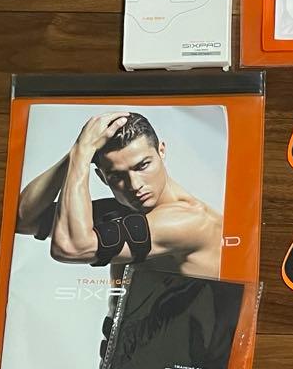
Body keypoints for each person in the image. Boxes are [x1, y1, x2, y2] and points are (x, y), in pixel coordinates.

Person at [14, 111, 222, 278]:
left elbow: (71, 247)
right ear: (102, 177)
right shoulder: (124, 211)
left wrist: (82, 152)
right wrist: (79, 152)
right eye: (117, 176)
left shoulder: (190, 221)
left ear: (161, 151)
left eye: (142, 165)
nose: (135, 185)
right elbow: (22, 220)